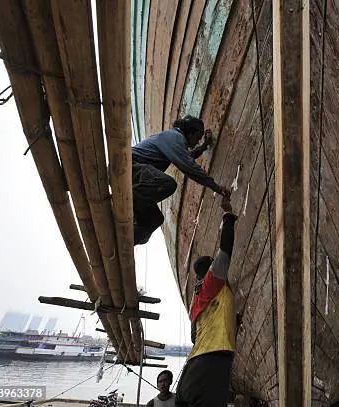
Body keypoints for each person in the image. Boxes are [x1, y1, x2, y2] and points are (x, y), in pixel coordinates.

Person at [175, 196, 237, 407]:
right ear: (210, 270)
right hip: (213, 360)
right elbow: (226, 251)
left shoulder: (198, 302)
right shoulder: (213, 282)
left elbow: (196, 336)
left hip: (194, 367)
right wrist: (228, 216)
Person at [132, 115, 231, 245]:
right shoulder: (174, 136)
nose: (198, 141)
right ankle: (132, 198)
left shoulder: (173, 141)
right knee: (168, 184)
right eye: (198, 137)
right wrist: (216, 187)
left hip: (138, 176)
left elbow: (187, 157)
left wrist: (204, 146)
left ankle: (123, 242)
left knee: (155, 220)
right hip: (129, 166)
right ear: (190, 132)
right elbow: (188, 165)